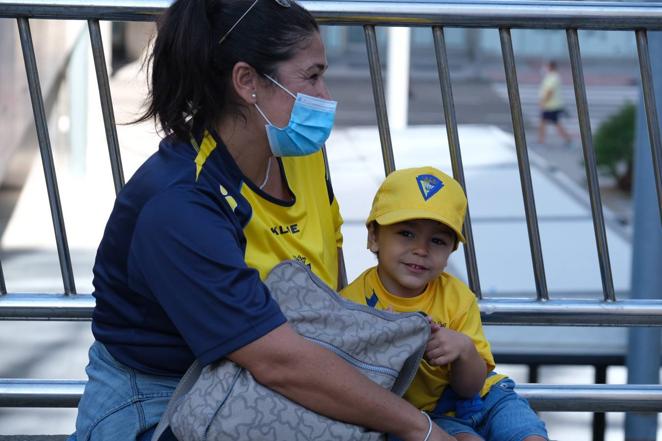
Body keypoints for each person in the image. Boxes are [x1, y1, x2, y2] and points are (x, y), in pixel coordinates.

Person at [68, 1, 454, 440]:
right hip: (161, 403)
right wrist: (423, 430)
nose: (326, 96)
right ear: (247, 81)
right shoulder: (179, 204)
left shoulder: (299, 158)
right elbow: (278, 361)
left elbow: (327, 284)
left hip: (260, 379)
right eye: (311, 76)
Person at [341, 167, 549, 441]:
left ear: (450, 252)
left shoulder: (457, 297)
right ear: (374, 237)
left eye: (437, 240)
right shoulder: (352, 305)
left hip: (489, 398)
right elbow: (357, 393)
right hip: (426, 415)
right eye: (406, 233)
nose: (421, 249)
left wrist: (463, 350)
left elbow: (471, 387)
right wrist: (384, 349)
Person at [537, 60, 572, 146]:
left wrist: (543, 101)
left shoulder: (553, 77)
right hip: (553, 105)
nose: (545, 68)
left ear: (551, 67)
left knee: (544, 123)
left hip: (551, 105)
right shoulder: (553, 76)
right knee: (555, 123)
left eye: (547, 66)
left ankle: (541, 142)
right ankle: (568, 140)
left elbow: (550, 91)